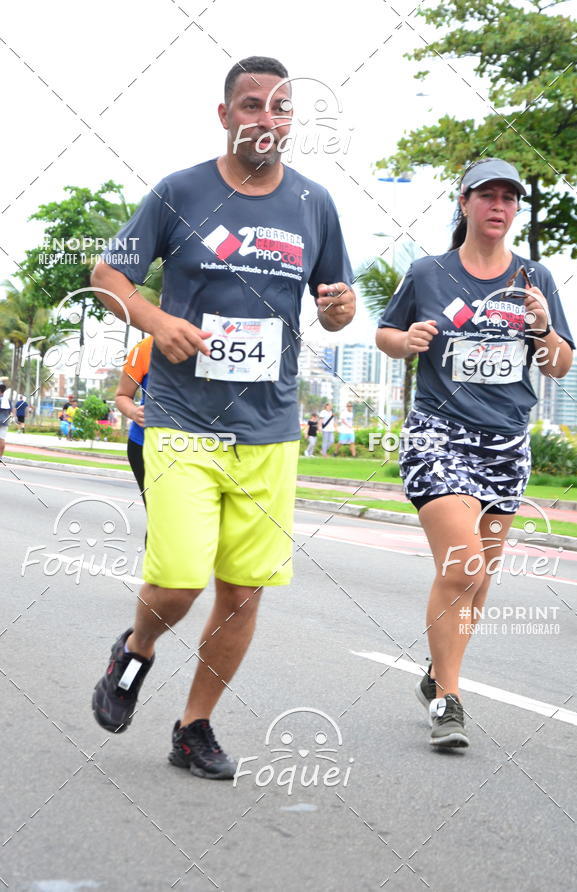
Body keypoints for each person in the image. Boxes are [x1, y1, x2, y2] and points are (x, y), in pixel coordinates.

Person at [90, 56, 356, 779]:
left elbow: (338, 306)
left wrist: (339, 309)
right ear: (225, 115)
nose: (266, 119)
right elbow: (108, 277)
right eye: (251, 105)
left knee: (240, 594)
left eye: (280, 107)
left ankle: (193, 728)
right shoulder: (181, 192)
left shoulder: (314, 204)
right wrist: (155, 320)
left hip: (269, 432)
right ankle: (134, 652)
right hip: (183, 423)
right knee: (179, 583)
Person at [376, 157, 574, 750]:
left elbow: (558, 365)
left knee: (480, 577)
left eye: (509, 198)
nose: (499, 207)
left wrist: (543, 329)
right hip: (439, 435)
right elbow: (385, 333)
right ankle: (448, 700)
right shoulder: (428, 273)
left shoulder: (535, 278)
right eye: (487, 195)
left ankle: (437, 673)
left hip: (506, 445)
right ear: (464, 203)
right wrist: (406, 340)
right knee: (464, 566)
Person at [115, 335, 153, 501]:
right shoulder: (144, 349)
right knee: (158, 511)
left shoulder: (213, 345)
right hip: (144, 446)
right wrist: (134, 412)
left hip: (198, 447)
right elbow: (122, 395)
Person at [0, 384, 12, 457]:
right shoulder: (8, 400)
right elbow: (10, 411)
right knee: (2, 439)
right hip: (5, 422)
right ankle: (1, 456)